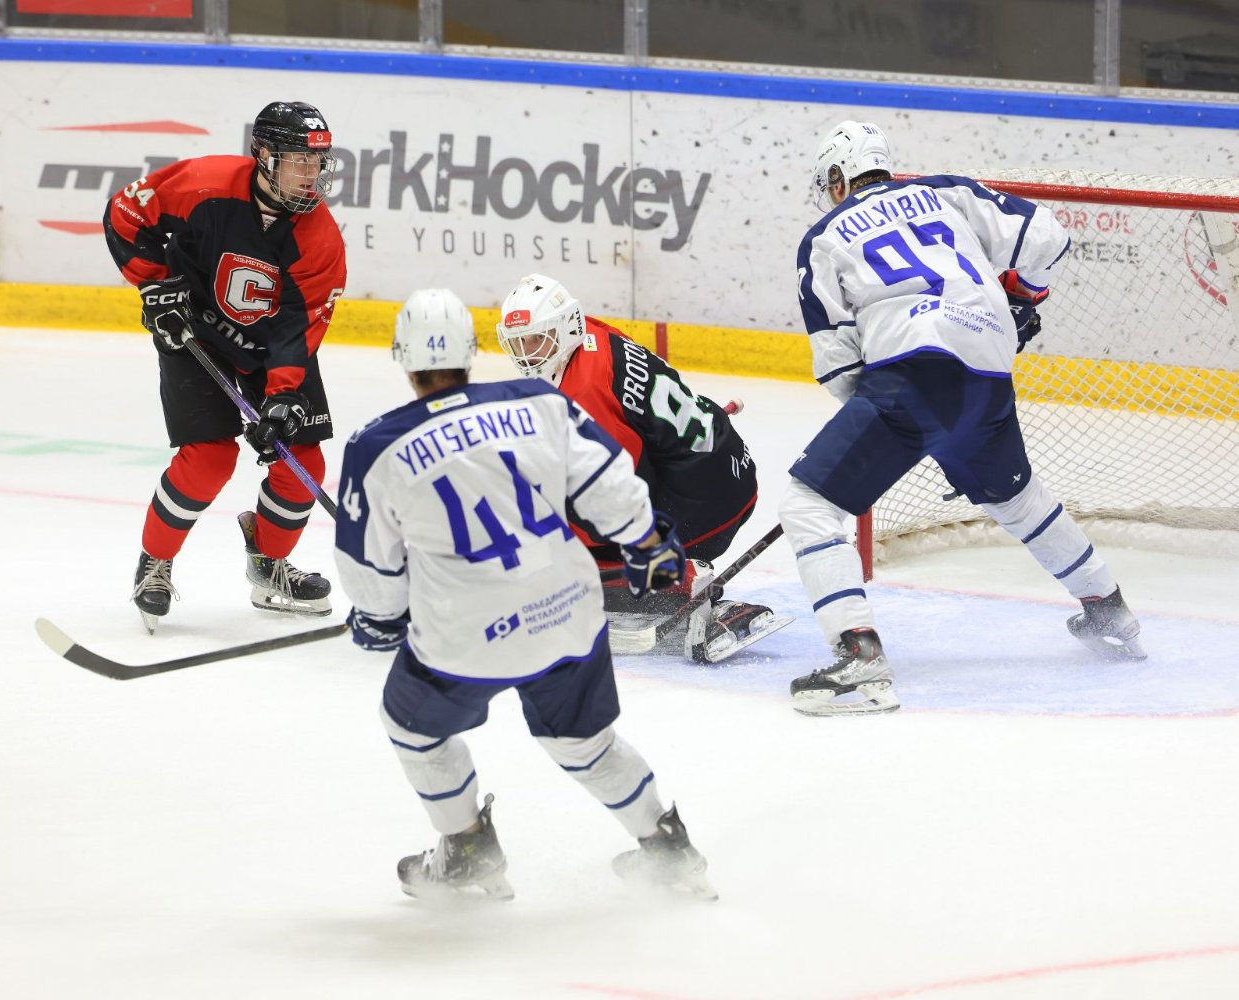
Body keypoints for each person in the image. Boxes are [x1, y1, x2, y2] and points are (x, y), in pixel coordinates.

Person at [335, 288, 715, 901]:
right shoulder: (538, 401)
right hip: (566, 609)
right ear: (471, 351)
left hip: (464, 634)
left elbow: (368, 567)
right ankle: (670, 853)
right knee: (584, 744)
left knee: (412, 729)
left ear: (403, 360)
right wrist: (646, 542)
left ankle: (467, 850)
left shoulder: (375, 446)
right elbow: (609, 481)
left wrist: (379, 620)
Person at [782, 120, 1144, 717]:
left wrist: (890, 430)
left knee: (808, 503)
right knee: (1017, 500)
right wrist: (1023, 299)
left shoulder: (822, 237)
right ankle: (1108, 608)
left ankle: (860, 658)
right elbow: (1048, 237)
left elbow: (839, 367)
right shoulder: (944, 191)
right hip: (988, 370)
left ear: (839, 178)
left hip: (910, 371)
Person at [104, 100, 346, 631]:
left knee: (303, 463)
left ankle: (269, 564)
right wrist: (154, 285)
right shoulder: (203, 183)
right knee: (209, 459)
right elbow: (125, 213)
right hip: (192, 329)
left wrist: (282, 397)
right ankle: (155, 564)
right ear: (264, 155)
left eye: (317, 162)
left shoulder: (320, 238)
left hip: (268, 348)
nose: (311, 174)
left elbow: (298, 331)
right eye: (298, 161)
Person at [495, 274, 787, 664]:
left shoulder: (585, 389)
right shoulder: (593, 334)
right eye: (518, 342)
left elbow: (617, 489)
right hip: (723, 465)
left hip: (707, 507)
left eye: (536, 339)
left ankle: (680, 576)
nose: (527, 353)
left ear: (566, 326)